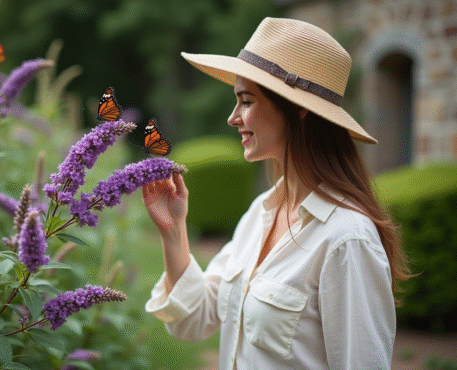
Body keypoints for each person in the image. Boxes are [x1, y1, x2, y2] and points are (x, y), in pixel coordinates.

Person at [142, 18, 411, 369]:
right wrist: (173, 229)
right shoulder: (261, 211)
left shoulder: (347, 239)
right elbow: (195, 318)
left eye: (246, 100)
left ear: (298, 109)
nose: (233, 117)